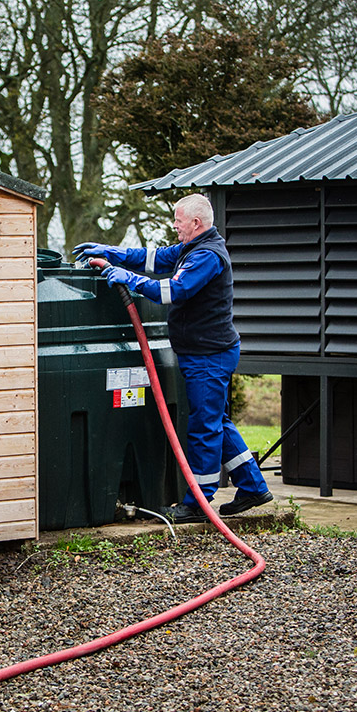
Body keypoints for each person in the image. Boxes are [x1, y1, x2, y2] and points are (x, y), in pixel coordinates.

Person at [73, 193, 272, 523]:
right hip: (205, 352)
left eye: (178, 220)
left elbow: (173, 291)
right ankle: (253, 486)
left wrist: (128, 279)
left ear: (196, 223)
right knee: (217, 422)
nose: (175, 226)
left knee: (204, 429)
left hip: (208, 356)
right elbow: (151, 257)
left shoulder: (207, 256)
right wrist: (110, 252)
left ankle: (197, 503)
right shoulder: (191, 249)